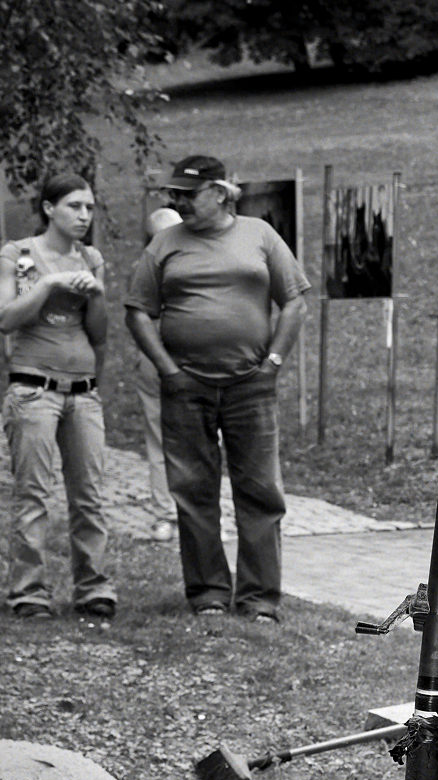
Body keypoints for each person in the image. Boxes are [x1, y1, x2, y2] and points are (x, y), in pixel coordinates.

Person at [124, 155, 310, 622]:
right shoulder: (165, 244)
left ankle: (259, 599)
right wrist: (167, 369)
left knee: (261, 491)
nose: (178, 201)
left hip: (251, 384)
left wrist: (273, 362)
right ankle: (207, 593)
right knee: (192, 489)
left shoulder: (260, 235)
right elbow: (138, 310)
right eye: (174, 194)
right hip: (186, 386)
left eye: (188, 193)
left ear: (221, 193)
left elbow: (294, 301)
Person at [0, 173, 117, 620]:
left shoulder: (91, 258)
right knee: (34, 495)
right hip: (33, 390)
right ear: (49, 208)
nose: (84, 216)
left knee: (89, 495)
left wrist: (97, 294)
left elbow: (99, 333)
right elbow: (5, 318)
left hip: (82, 393)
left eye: (89, 208)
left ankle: (93, 587)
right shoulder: (21, 255)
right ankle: (29, 592)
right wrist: (48, 286)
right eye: (74, 207)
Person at [131, 207, 183, 543]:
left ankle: (194, 512)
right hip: (156, 361)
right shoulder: (146, 269)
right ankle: (166, 514)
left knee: (200, 439)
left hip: (194, 362)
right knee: (160, 440)